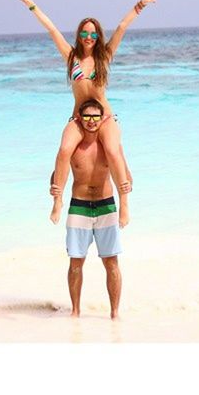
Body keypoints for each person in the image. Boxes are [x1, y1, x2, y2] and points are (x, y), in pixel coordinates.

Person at [17, 0, 157, 228]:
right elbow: (51, 29)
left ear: (98, 36)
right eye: (84, 34)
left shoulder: (104, 56)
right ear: (78, 36)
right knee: (63, 150)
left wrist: (142, 3)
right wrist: (32, 4)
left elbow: (122, 26)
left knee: (113, 151)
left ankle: (124, 203)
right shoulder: (71, 57)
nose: (89, 38)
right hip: (78, 118)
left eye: (93, 34)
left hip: (104, 118)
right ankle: (58, 200)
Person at [50, 99, 125, 320]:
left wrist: (126, 195)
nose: (91, 121)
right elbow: (57, 173)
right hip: (79, 206)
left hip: (106, 205)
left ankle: (114, 313)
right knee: (75, 262)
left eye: (95, 117)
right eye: (87, 117)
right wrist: (55, 191)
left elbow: (125, 172)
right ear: (79, 119)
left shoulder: (110, 148)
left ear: (103, 119)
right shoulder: (73, 147)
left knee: (111, 262)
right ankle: (75, 311)